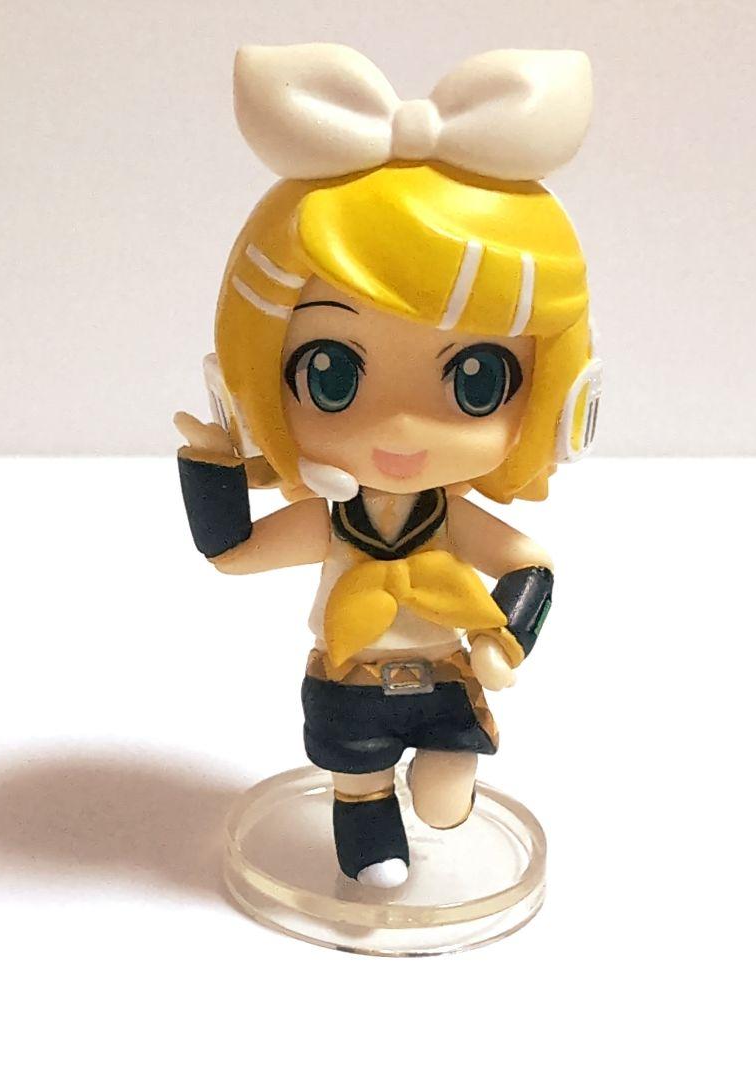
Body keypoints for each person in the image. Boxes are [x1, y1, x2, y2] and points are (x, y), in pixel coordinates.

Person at [176, 43, 600, 887]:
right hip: (347, 679)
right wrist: (211, 469)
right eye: (332, 375)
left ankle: (444, 771)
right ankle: (369, 827)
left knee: (445, 785)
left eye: (476, 381)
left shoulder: (452, 519)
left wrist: (506, 639)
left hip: (444, 677)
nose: (400, 428)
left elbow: (531, 566)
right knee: (358, 775)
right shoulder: (333, 518)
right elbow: (234, 552)